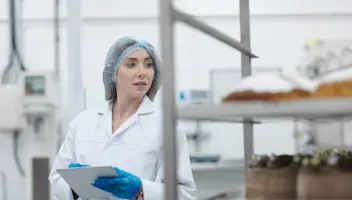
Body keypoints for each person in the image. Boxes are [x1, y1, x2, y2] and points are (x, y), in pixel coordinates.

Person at [48, 37, 197, 200]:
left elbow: (184, 195)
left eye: (148, 64)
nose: (142, 72)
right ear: (113, 71)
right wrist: (75, 187)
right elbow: (56, 180)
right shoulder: (83, 122)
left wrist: (140, 189)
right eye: (131, 64)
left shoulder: (166, 127)